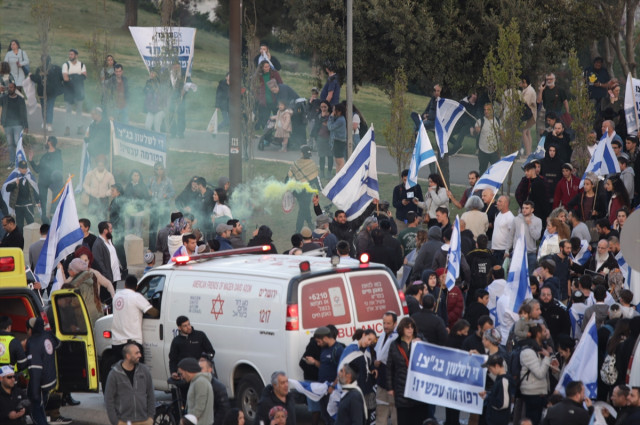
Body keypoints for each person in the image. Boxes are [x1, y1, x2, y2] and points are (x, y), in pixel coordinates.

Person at [386, 317, 430, 425]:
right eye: (407, 327)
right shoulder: (395, 344)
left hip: (419, 389)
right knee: (404, 419)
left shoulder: (421, 340)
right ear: (402, 329)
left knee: (419, 419)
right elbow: (389, 367)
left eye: (412, 327)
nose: (410, 329)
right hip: (402, 387)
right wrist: (390, 387)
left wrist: (422, 344)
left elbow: (431, 356)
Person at [104, 342, 156, 425]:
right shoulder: (114, 374)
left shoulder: (144, 371)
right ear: (128, 356)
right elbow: (108, 400)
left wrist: (151, 417)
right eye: (137, 353)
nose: (140, 355)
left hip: (144, 420)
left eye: (139, 352)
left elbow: (151, 395)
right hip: (124, 421)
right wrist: (116, 422)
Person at [110, 275, 159, 362]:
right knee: (137, 372)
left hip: (117, 343)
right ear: (136, 287)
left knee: (121, 372)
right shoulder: (136, 297)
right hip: (132, 344)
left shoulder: (116, 296)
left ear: (125, 285)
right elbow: (153, 312)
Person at [519, 324, 559, 425]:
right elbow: (540, 373)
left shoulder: (542, 348)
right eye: (545, 331)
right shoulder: (528, 352)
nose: (547, 333)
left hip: (541, 392)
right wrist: (547, 357)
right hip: (532, 394)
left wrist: (553, 366)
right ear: (538, 334)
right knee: (533, 421)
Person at [25, 317, 58, 425]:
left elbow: (35, 370)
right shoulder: (48, 335)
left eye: (28, 329)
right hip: (50, 379)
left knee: (35, 411)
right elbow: (58, 343)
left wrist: (34, 392)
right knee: (40, 407)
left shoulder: (33, 343)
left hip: (41, 383)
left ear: (31, 329)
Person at [169, 316, 215, 380]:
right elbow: (172, 359)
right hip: (185, 375)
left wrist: (204, 358)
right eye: (185, 326)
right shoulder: (176, 340)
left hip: (199, 373)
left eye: (189, 324)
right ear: (179, 328)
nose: (188, 327)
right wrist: (173, 372)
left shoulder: (200, 335)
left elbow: (211, 352)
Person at [30, 136, 63, 222]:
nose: (45, 143)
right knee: (44, 207)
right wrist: (31, 160)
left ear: (50, 143)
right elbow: (37, 170)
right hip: (43, 186)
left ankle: (54, 224)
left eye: (46, 141)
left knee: (54, 207)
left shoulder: (57, 156)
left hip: (53, 187)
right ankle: (45, 226)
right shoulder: (44, 156)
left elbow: (59, 172)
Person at [286, 145, 319, 231]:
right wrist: (320, 188)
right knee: (303, 208)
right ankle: (302, 227)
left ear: (302, 153)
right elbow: (316, 178)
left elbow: (288, 177)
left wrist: (286, 186)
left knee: (304, 208)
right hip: (307, 192)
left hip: (297, 191)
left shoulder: (296, 163)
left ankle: (302, 227)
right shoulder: (312, 164)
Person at [374, 312, 398, 425]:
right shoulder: (383, 335)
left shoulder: (398, 338)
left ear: (395, 323)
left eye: (388, 323)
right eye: (384, 323)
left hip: (394, 382)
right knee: (381, 411)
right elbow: (378, 352)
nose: (386, 326)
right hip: (382, 380)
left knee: (395, 413)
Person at [29, 54, 64, 132]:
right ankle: (46, 123)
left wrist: (31, 76)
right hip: (44, 92)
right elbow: (38, 79)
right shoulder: (42, 69)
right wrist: (32, 76)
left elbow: (61, 77)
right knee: (46, 108)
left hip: (50, 92)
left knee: (48, 108)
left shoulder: (54, 69)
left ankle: (49, 124)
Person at [178, 357, 214, 425]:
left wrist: (186, 422)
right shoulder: (197, 381)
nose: (182, 377)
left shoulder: (200, 382)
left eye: (181, 373)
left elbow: (199, 407)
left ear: (187, 371)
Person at [479, 354, 513, 425]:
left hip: (498, 419)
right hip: (495, 418)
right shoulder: (500, 378)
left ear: (497, 366)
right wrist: (488, 394)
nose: (490, 371)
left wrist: (487, 397)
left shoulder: (503, 380)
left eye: (490, 369)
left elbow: (503, 404)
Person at [5, 161, 39, 229]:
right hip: (18, 206)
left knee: (31, 224)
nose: (24, 170)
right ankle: (21, 239)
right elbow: (7, 189)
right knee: (20, 225)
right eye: (22, 168)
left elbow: (34, 190)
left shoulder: (29, 177)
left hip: (28, 205)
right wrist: (15, 183)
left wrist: (38, 201)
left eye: (25, 168)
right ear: (19, 169)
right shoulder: (14, 177)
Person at [0, 82, 28, 164]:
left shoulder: (20, 99)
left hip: (18, 124)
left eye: (11, 87)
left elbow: (24, 113)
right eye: (9, 88)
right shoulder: (4, 98)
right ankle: (12, 161)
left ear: (15, 88)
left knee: (17, 142)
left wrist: (26, 126)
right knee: (10, 144)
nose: (10, 89)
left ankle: (20, 161)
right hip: (7, 125)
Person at [62, 48, 87, 136]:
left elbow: (84, 75)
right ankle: (67, 128)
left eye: (72, 54)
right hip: (69, 91)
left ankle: (79, 128)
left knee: (79, 111)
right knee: (68, 110)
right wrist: (76, 77)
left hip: (79, 92)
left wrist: (72, 77)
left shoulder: (81, 65)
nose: (70, 56)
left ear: (76, 55)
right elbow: (65, 78)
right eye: (69, 54)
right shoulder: (66, 65)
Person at [199, 356, 230, 425]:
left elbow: (223, 410)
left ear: (210, 370)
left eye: (201, 369)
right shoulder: (197, 384)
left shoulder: (218, 387)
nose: (199, 371)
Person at [473, 103, 501, 174]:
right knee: (482, 171)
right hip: (483, 151)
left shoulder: (498, 121)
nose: (486, 111)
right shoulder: (480, 121)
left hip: (494, 151)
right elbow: (475, 132)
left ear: (493, 110)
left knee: (497, 171)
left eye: (488, 109)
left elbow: (502, 134)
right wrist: (476, 130)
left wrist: (507, 144)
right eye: (485, 109)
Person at [328, 103, 348, 172]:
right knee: (337, 160)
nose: (333, 112)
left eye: (334, 110)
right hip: (336, 141)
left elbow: (330, 127)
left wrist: (331, 117)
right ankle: (337, 175)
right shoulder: (338, 119)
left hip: (339, 141)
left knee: (340, 160)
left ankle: (341, 176)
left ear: (339, 111)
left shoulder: (341, 120)